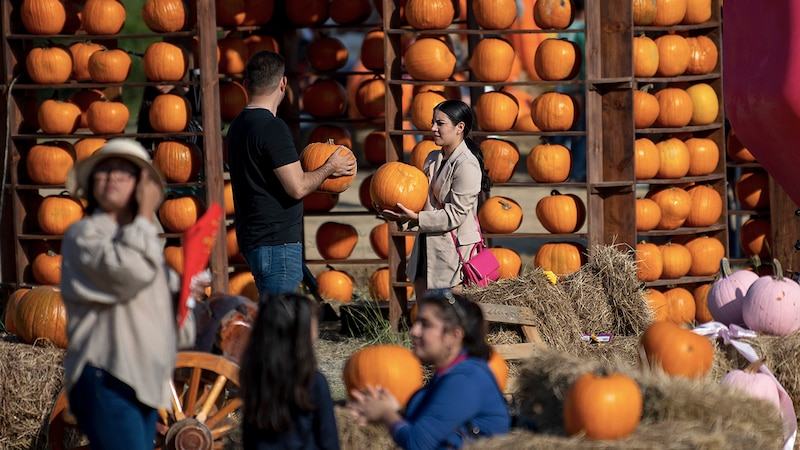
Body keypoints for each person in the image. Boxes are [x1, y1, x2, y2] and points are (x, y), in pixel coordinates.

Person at [60, 138, 196, 450]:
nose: (111, 177)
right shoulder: (84, 235)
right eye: (103, 171)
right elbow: (128, 274)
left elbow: (171, 320)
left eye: (124, 172)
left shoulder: (140, 238)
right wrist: (145, 217)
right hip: (105, 375)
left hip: (143, 379)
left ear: (140, 185)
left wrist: (185, 291)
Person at [227, 50, 357, 296]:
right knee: (279, 321)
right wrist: (330, 167)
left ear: (246, 84)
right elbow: (297, 187)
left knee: (272, 314)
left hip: (253, 236)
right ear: (283, 83)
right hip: (277, 241)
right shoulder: (272, 128)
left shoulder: (238, 125)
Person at [347, 290, 510, 449]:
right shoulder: (450, 373)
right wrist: (395, 410)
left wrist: (386, 414)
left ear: (454, 336)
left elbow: (417, 442)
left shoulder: (466, 378)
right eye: (416, 322)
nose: (414, 331)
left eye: (425, 324)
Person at [378, 100, 491, 296]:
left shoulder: (467, 165)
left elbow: (455, 216)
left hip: (453, 253)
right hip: (426, 246)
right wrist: (399, 214)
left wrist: (416, 218)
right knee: (427, 309)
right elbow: (423, 202)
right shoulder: (432, 158)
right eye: (433, 122)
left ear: (460, 127)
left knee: (447, 313)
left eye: (440, 123)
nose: (433, 128)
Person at [239, 292, 340, 450]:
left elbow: (248, 439)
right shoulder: (313, 382)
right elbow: (329, 441)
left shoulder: (255, 378)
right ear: (302, 333)